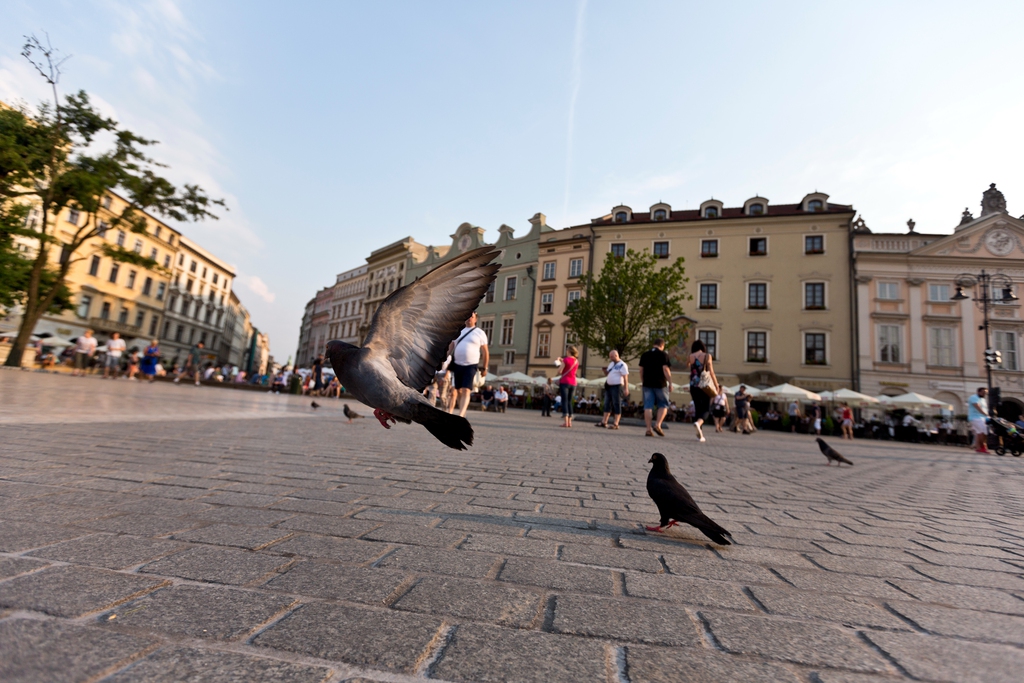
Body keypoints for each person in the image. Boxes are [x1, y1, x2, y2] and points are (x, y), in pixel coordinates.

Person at [448, 311, 489, 418]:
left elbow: (485, 352)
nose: (469, 318)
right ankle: (463, 408)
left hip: (471, 365)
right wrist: (444, 357)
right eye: (468, 316)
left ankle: (461, 415)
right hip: (457, 364)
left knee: (466, 389)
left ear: (475, 319)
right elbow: (451, 347)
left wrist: (485, 367)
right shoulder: (459, 331)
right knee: (458, 390)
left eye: (472, 316)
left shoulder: (479, 333)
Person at [685, 339, 718, 442]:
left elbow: (688, 366)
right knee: (706, 409)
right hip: (704, 385)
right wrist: (716, 385)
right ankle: (698, 424)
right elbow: (711, 372)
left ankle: (699, 435)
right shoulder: (707, 356)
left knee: (698, 409)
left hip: (693, 385)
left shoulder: (690, 356)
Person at [641, 338, 674, 437]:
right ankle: (658, 425)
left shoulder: (645, 355)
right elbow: (665, 369)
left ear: (653, 344)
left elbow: (641, 370)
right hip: (660, 384)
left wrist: (643, 381)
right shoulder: (663, 355)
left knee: (648, 406)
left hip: (647, 384)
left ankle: (648, 429)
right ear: (662, 345)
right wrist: (670, 382)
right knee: (663, 405)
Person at [597, 350, 629, 429]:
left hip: (617, 386)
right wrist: (605, 372)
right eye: (610, 356)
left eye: (611, 356)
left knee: (616, 403)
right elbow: (608, 374)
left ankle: (616, 423)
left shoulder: (622, 365)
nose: (610, 358)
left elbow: (625, 378)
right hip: (609, 386)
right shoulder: (611, 364)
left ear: (616, 355)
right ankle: (604, 421)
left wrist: (626, 388)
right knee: (607, 403)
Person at [557, 346, 580, 428]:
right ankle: (570, 422)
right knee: (570, 401)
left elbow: (559, 371)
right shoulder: (577, 361)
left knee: (564, 401)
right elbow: (570, 364)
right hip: (573, 382)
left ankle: (565, 422)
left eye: (566, 350)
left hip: (565, 382)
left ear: (569, 351)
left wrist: (559, 363)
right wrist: (562, 360)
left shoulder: (566, 359)